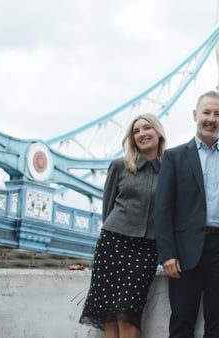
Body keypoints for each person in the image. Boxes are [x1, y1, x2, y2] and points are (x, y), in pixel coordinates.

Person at [154, 90, 219, 338]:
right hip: (184, 252)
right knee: (182, 320)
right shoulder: (173, 157)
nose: (211, 119)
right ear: (195, 115)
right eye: (206, 112)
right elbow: (163, 209)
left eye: (217, 114)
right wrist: (168, 254)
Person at [79, 113, 167, 338]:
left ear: (158, 132)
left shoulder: (170, 170)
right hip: (113, 243)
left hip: (146, 250)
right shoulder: (119, 166)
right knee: (110, 316)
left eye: (147, 128)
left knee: (128, 315)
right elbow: (107, 208)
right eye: (136, 131)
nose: (141, 134)